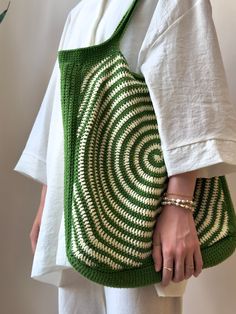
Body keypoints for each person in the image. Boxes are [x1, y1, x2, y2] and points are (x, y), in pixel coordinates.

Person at [13, 0, 236, 313]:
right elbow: (59, 112)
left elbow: (191, 95)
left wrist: (179, 206)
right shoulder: (81, 12)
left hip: (140, 214)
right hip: (71, 213)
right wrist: (46, 203)